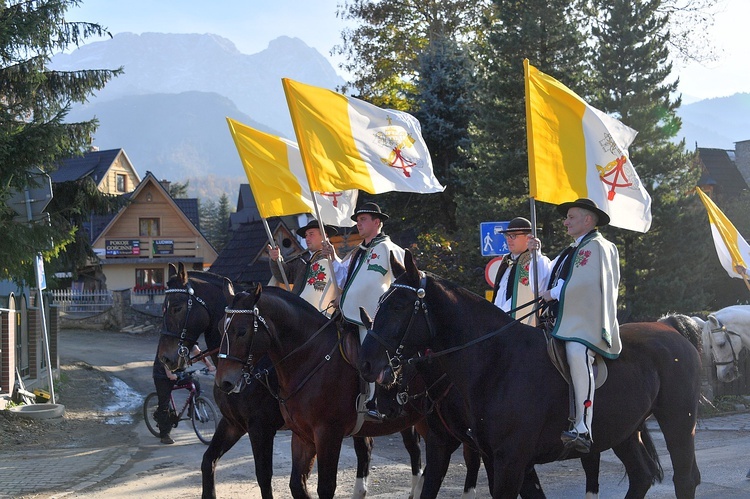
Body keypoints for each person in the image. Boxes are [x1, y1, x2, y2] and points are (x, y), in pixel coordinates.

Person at [530, 198, 621, 454]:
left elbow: (584, 282)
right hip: (562, 319)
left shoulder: (598, 246)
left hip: (586, 321)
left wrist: (554, 293)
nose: (565, 221)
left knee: (576, 353)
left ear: (588, 220)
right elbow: (548, 278)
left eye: (571, 216)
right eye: (566, 217)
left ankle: (583, 426)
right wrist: (536, 255)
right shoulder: (571, 249)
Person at [328, 202, 405, 421]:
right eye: (357, 220)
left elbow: (404, 281)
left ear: (377, 222)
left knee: (372, 357)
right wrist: (332, 256)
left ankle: (377, 402)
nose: (358, 224)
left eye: (363, 220)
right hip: (350, 315)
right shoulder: (358, 252)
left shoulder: (390, 249)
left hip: (376, 319)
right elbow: (343, 278)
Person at [268, 219, 339, 316]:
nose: (307, 238)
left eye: (311, 234)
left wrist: (333, 258)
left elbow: (341, 282)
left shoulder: (333, 261)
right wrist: (276, 260)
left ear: (324, 235)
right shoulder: (301, 259)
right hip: (297, 311)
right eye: (306, 236)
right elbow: (284, 276)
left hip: (322, 314)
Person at [490, 217, 550, 326]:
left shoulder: (538, 262)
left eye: (513, 236)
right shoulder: (505, 261)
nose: (508, 239)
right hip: (499, 325)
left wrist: (536, 254)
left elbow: (541, 287)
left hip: (525, 328)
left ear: (529, 238)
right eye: (507, 236)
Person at [152, 344, 215, 444]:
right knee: (164, 404)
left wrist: (209, 365)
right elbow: (163, 355)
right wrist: (169, 374)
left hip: (179, 373)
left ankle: (193, 410)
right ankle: (165, 435)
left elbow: (198, 353)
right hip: (162, 375)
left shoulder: (187, 340)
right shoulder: (170, 339)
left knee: (195, 384)